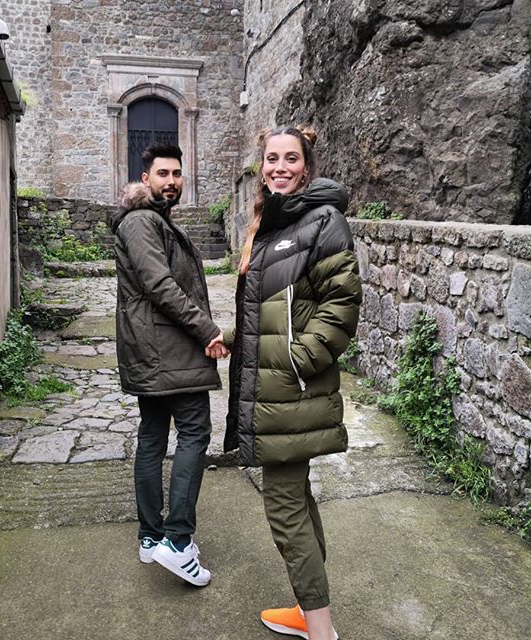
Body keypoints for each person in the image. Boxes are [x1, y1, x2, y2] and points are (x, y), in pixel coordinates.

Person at [212, 126, 361, 639]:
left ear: (307, 166)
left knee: (283, 505)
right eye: (272, 158)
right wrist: (232, 337)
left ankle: (320, 630)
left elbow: (341, 304)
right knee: (296, 498)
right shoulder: (274, 223)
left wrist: (299, 361)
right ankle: (308, 611)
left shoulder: (323, 221)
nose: (280, 167)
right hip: (276, 389)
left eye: (291, 158)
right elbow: (275, 314)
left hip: (290, 390)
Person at [111, 143, 228, 587]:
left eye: (177, 173)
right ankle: (177, 542)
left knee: (153, 436)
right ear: (146, 179)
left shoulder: (154, 220)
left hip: (155, 348)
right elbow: (160, 285)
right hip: (167, 348)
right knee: (194, 432)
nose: (172, 181)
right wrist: (207, 330)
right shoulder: (142, 221)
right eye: (163, 173)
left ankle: (151, 537)